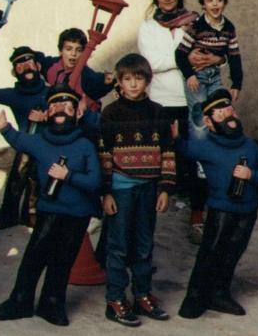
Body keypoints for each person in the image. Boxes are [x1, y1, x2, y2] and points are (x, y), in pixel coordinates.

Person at [0, 83, 102, 327]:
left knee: (63, 260)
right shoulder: (39, 142)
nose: (60, 110)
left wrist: (68, 176)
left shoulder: (85, 145)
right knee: (34, 256)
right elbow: (19, 140)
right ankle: (20, 300)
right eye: (54, 106)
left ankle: (52, 302)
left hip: (77, 214)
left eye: (66, 106)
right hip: (49, 211)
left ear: (77, 112)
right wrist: (4, 127)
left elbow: (95, 182)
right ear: (47, 113)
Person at [137, 0, 225, 244]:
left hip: (193, 101)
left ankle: (197, 218)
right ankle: (143, 221)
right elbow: (151, 63)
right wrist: (185, 56)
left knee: (199, 160)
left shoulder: (197, 22)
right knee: (154, 161)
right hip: (161, 103)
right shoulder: (148, 27)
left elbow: (216, 55)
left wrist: (210, 59)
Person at [173, 88, 258, 319]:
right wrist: (176, 137)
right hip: (222, 212)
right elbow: (184, 148)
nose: (229, 117)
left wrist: (251, 175)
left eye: (230, 111)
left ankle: (219, 294)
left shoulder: (250, 146)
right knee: (210, 254)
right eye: (220, 114)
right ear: (209, 122)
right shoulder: (205, 146)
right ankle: (195, 298)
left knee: (232, 254)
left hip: (247, 211)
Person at [98, 54, 174, 327]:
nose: (133, 84)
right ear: (119, 82)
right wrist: (106, 192)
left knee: (144, 245)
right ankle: (115, 299)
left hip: (149, 189)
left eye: (138, 79)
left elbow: (168, 151)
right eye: (127, 79)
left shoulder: (158, 112)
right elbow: (104, 155)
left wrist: (165, 188)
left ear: (147, 81)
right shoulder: (110, 113)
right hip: (121, 189)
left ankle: (142, 294)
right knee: (118, 246)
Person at [0, 46, 49, 228]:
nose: (26, 68)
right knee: (18, 173)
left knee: (37, 179)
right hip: (26, 145)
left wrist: (45, 117)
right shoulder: (14, 95)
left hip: (49, 146)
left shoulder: (51, 91)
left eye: (29, 63)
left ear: (38, 66)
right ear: (14, 72)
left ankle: (31, 213)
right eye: (20, 66)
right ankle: (8, 214)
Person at [175, 0, 242, 139]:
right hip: (196, 76)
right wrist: (189, 75)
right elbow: (179, 53)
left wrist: (236, 84)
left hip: (215, 76)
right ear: (203, 5)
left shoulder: (229, 28)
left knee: (220, 109)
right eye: (210, 0)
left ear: (225, 3)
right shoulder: (197, 27)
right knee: (199, 114)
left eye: (219, 0)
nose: (215, 4)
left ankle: (219, 145)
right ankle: (199, 148)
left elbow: (234, 56)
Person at [35, 27, 115, 113]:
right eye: (68, 49)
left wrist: (106, 82)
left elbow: (98, 81)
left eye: (79, 50)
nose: (73, 54)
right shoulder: (52, 65)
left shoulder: (86, 75)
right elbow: (33, 56)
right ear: (60, 51)